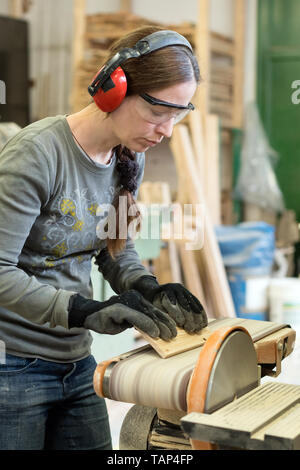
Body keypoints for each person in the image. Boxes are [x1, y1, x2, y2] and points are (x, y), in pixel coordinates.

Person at [0, 25, 207, 450]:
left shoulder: (129, 156)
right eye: (159, 112)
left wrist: (146, 286)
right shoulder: (37, 155)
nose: (167, 130)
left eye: (179, 114)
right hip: (13, 368)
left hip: (76, 362)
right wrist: (84, 310)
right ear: (113, 89)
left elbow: (116, 248)